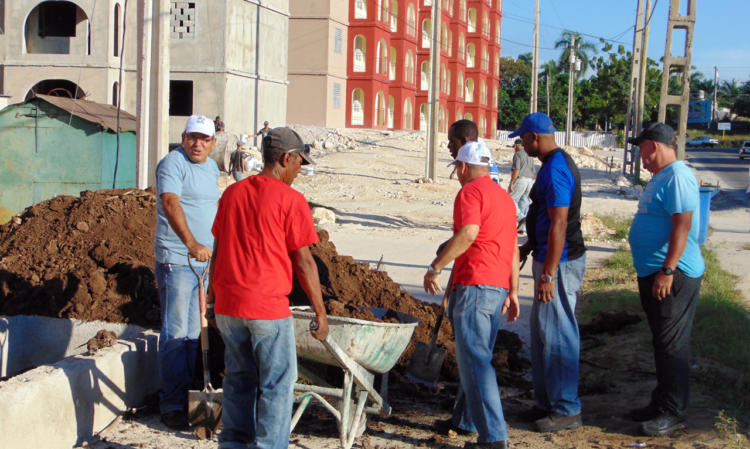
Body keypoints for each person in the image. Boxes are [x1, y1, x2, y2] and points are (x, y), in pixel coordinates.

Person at [208, 127, 329, 449]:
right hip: (266, 309)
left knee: (237, 380)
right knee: (276, 385)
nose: (299, 171)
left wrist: (210, 298)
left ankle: (233, 443)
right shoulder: (291, 200)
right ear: (286, 158)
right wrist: (320, 310)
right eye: (299, 163)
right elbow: (304, 262)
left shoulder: (232, 194)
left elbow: (218, 249)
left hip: (229, 307)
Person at [424, 140, 520, 449]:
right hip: (496, 286)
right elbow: (513, 249)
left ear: (463, 167)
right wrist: (514, 290)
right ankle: (465, 420)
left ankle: (494, 438)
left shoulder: (470, 192)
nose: (458, 174)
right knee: (475, 359)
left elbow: (468, 234)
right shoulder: (504, 199)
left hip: (477, 287)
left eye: (457, 169)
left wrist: (436, 266)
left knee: (476, 363)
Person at [626, 122, 704, 437]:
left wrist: (668, 270)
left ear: (654, 146)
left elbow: (683, 226)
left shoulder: (678, 176)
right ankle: (661, 402)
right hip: (655, 273)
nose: (641, 158)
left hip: (673, 275)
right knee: (662, 342)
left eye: (642, 150)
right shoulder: (662, 177)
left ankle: (674, 413)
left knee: (672, 345)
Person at [514, 112, 587, 433]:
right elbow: (546, 219)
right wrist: (529, 246)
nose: (521, 143)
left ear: (534, 138)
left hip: (560, 263)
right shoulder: (552, 165)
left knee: (558, 335)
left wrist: (549, 275)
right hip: (549, 257)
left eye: (523, 138)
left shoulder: (557, 170)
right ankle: (547, 404)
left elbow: (559, 222)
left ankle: (567, 409)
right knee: (544, 335)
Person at [153, 114, 220, 430]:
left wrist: (213, 259)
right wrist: (191, 244)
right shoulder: (172, 163)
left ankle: (189, 399)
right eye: (192, 137)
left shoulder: (211, 168)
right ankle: (170, 405)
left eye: (204, 139)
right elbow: (169, 202)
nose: (198, 144)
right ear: (183, 138)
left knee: (195, 335)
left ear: (213, 143)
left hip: (202, 264)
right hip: (178, 261)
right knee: (176, 333)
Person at [507, 138, 534, 234]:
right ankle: (523, 227)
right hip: (529, 180)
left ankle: (521, 217)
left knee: (509, 200)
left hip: (520, 179)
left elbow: (516, 170)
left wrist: (511, 183)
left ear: (515, 146)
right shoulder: (529, 155)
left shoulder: (518, 155)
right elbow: (533, 172)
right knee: (524, 201)